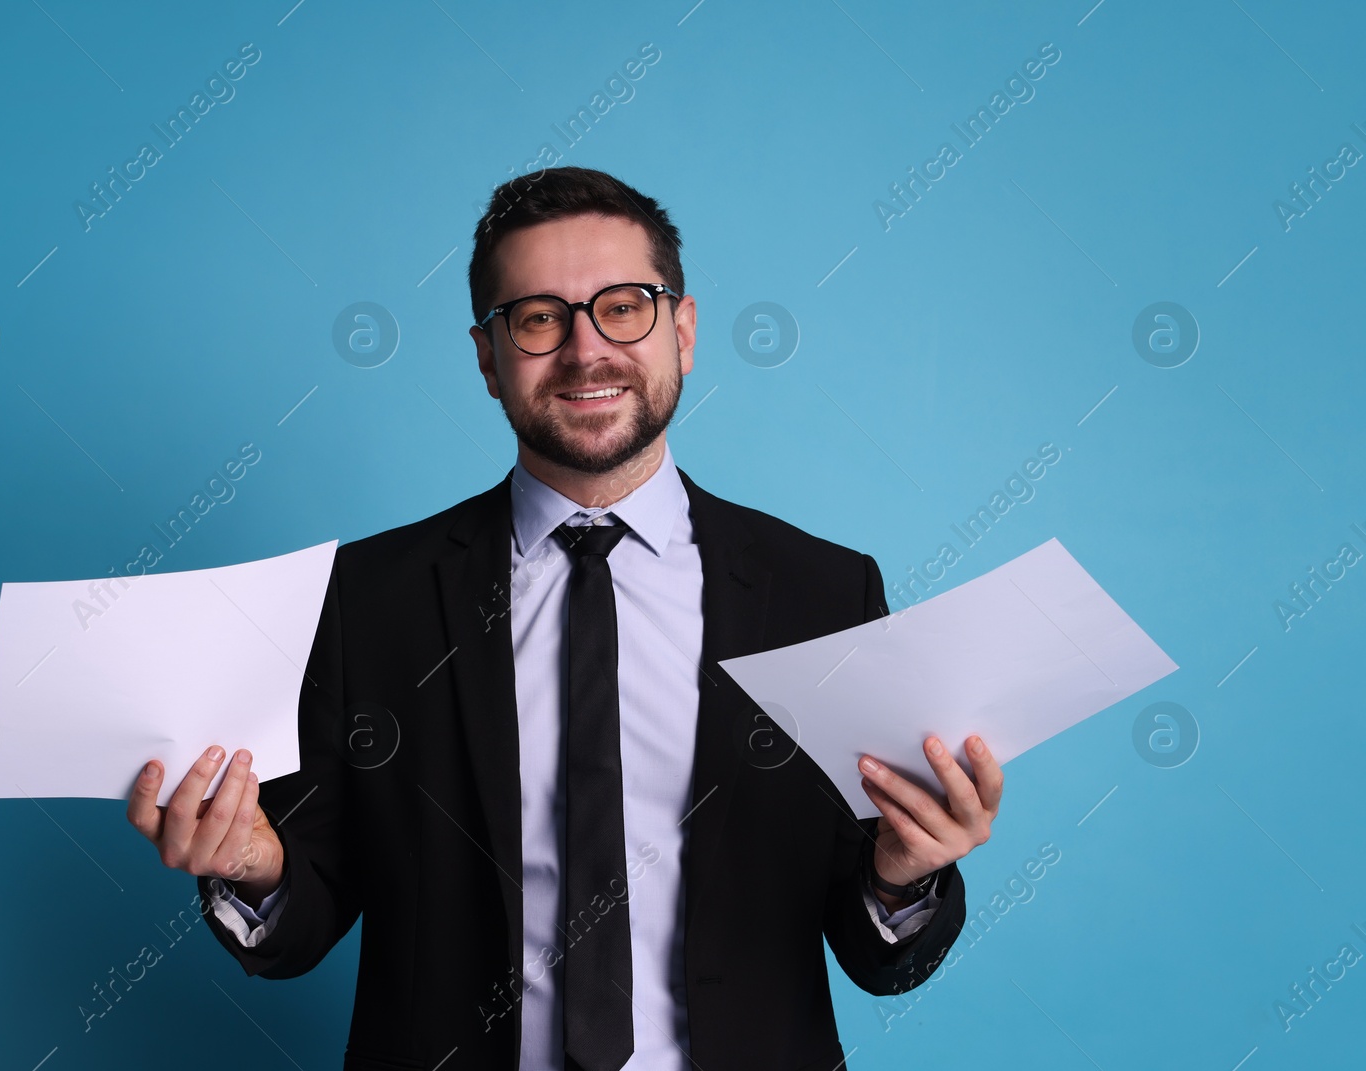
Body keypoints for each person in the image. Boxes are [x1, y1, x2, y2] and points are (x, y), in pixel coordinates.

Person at [127, 166, 1003, 1070]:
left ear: (684, 331)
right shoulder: (366, 598)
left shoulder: (825, 594)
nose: (588, 351)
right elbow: (302, 917)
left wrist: (906, 876)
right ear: (486, 356)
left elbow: (874, 952)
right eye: (540, 318)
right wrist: (250, 867)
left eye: (624, 306)